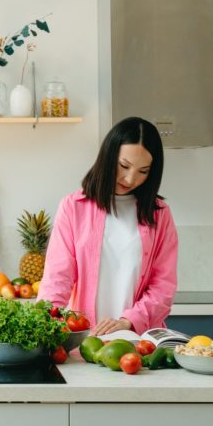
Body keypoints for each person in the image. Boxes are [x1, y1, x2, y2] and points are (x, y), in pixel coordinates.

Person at [38, 116, 178, 336]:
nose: (131, 179)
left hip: (139, 343)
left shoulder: (159, 215)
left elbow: (163, 287)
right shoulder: (73, 207)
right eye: (124, 166)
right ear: (108, 156)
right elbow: (57, 279)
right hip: (85, 342)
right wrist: (43, 328)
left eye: (143, 171)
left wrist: (127, 322)